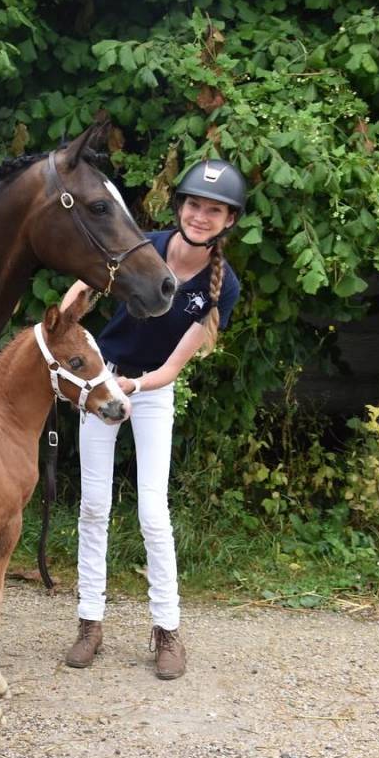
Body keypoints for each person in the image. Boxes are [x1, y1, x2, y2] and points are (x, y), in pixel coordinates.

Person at [60, 157, 246, 680]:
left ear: (229, 221)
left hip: (148, 389)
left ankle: (167, 629)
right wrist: (63, 328)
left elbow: (173, 367)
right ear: (180, 207)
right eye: (194, 205)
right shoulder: (141, 248)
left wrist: (135, 387)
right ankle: (89, 623)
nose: (201, 216)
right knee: (94, 505)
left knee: (152, 512)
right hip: (103, 380)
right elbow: (84, 287)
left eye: (215, 210)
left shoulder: (220, 288)